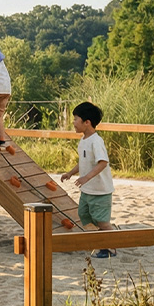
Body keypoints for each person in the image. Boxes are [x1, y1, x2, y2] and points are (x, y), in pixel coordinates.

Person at [61, 101, 115, 259]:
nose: (73, 122)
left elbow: (103, 162)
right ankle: (102, 239)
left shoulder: (96, 141)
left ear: (87, 122)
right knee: (84, 215)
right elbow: (83, 161)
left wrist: (86, 177)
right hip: (87, 190)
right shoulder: (84, 140)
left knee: (102, 221)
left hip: (100, 191)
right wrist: (70, 173)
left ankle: (111, 247)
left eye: (75, 119)